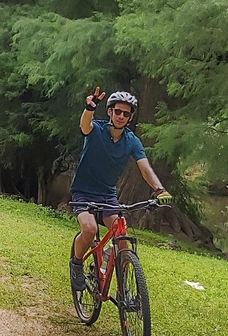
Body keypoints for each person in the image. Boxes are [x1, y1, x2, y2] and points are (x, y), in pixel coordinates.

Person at [70, 87, 173, 291]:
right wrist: (89, 107)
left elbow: (145, 168)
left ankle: (122, 287)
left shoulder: (132, 141)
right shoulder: (97, 130)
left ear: (130, 117)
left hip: (107, 195)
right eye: (117, 111)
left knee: (122, 238)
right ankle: (76, 263)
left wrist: (159, 189)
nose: (121, 116)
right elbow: (84, 125)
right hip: (83, 192)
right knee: (90, 229)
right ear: (110, 112)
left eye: (126, 113)